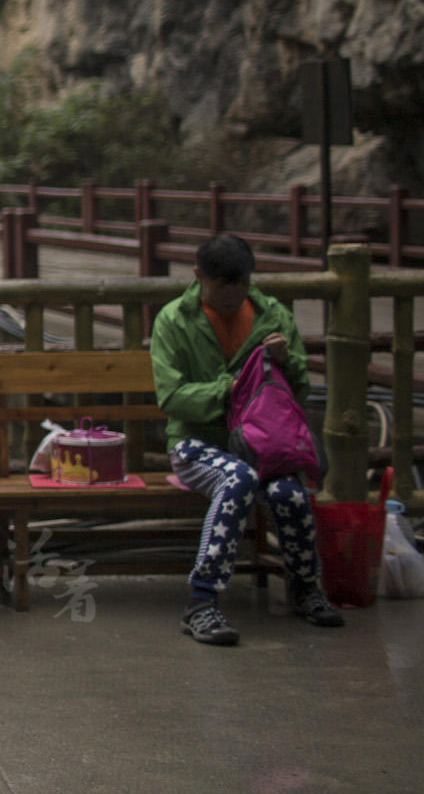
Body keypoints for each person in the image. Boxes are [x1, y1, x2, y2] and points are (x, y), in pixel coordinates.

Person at [152, 232, 343, 644]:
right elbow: (172, 398)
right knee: (238, 477)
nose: (233, 294)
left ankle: (306, 589)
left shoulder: (273, 317)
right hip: (197, 443)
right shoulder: (173, 319)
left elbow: (298, 392)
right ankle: (201, 603)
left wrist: (285, 361)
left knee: (290, 492)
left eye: (241, 283)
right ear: (199, 276)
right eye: (224, 284)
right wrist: (231, 389)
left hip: (264, 442)